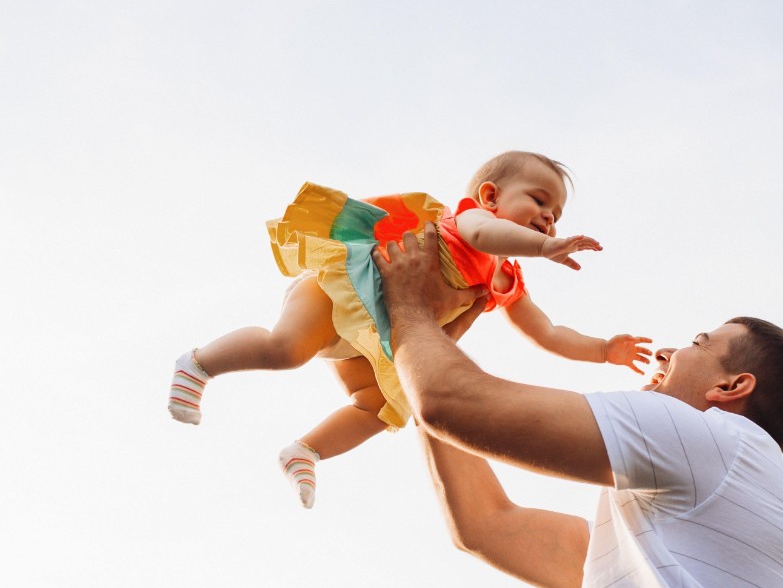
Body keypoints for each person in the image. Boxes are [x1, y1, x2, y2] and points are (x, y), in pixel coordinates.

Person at [167, 151, 652, 509]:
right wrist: (544, 247)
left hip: (373, 338)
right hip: (341, 291)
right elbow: (487, 236)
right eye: (540, 201)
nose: (548, 218)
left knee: (381, 407)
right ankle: (199, 363)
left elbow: (546, 331)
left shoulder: (506, 280)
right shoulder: (469, 220)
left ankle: (306, 450)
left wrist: (604, 349)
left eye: (557, 215)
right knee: (286, 349)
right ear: (490, 197)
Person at [373, 222, 783, 588]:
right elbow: (487, 524)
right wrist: (428, 345)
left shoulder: (717, 439)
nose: (666, 353)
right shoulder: (650, 541)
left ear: (731, 386)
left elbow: (448, 402)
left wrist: (410, 309)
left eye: (696, 344)